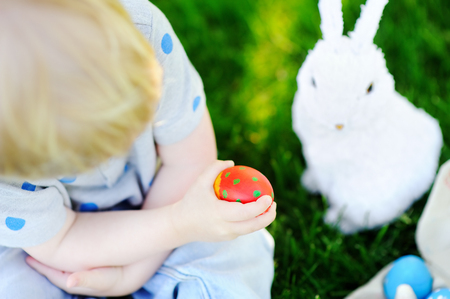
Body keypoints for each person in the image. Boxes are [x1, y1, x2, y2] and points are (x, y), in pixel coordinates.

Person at [0, 0, 277, 298]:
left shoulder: (141, 34)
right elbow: (63, 240)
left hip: (162, 199)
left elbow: (188, 163)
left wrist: (136, 268)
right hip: (42, 244)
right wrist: (175, 226)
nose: (110, 155)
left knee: (235, 252)